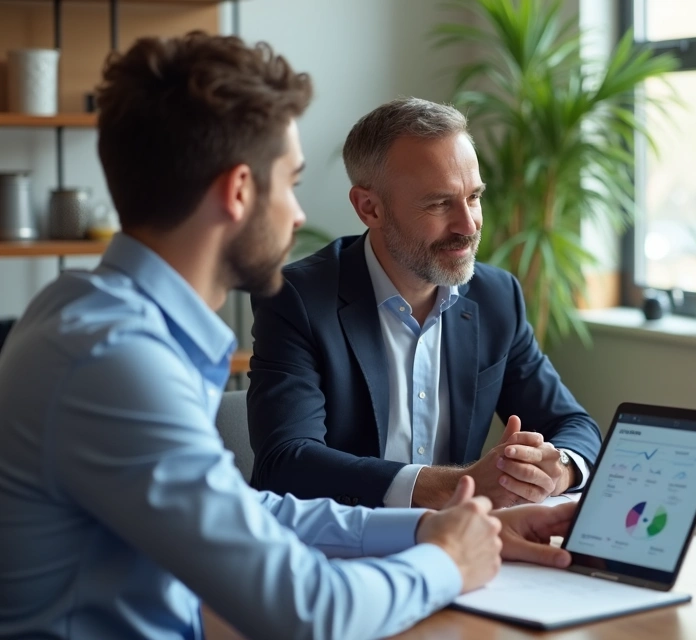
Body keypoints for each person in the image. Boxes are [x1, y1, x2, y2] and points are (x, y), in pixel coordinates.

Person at [0, 33, 578, 640]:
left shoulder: (102, 321)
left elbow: (246, 512)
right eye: (291, 182)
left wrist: (427, 529)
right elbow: (305, 612)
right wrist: (446, 562)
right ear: (241, 192)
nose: (299, 215)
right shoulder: (113, 361)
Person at [246, 97, 602, 511]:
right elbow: (286, 462)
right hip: (340, 550)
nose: (468, 225)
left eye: (473, 197)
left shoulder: (496, 296)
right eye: (439, 203)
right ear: (369, 207)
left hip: (461, 549)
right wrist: (456, 485)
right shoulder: (298, 299)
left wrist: (556, 468)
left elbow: (574, 425)